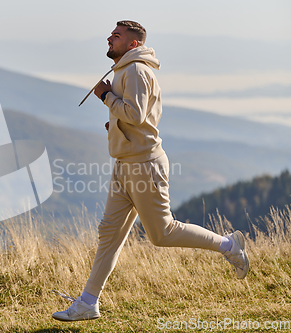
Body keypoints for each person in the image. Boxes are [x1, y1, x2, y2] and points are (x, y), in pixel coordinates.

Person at [52, 20, 250, 322]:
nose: (109, 38)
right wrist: (115, 126)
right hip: (125, 163)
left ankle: (229, 245)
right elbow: (134, 117)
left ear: (132, 44)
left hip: (144, 165)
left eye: (116, 36)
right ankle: (88, 302)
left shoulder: (136, 71)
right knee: (109, 233)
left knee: (162, 232)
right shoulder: (124, 69)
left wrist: (106, 97)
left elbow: (135, 113)